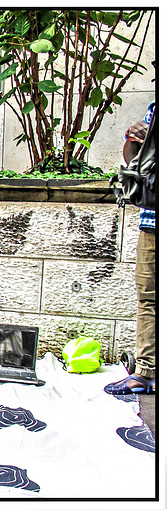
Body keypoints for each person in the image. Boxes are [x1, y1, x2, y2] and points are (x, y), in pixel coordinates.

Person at [105, 100, 156, 395]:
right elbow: (133, 163)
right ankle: (146, 372)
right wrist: (133, 138)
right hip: (152, 218)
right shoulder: (155, 108)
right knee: (148, 296)